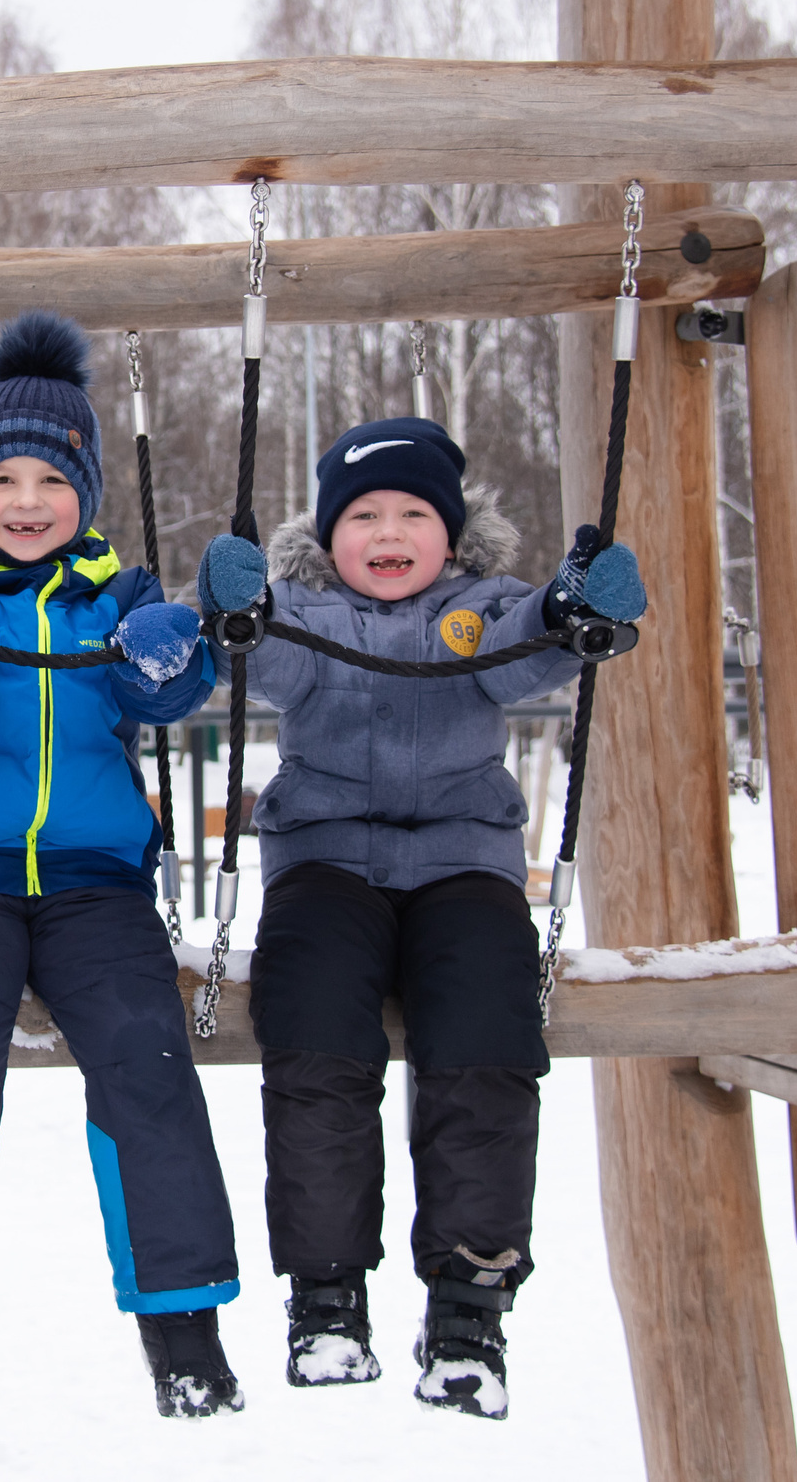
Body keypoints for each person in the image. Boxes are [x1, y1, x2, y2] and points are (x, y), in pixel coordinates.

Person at [196, 416, 645, 1419]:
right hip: (324, 864)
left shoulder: (477, 611)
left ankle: (467, 1308)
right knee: (313, 1039)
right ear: (327, 534)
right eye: (363, 515)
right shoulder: (310, 612)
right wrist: (241, 607)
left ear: (451, 532)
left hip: (461, 869)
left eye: (412, 513)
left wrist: (575, 607)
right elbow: (270, 663)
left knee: (486, 1043)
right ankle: (325, 1296)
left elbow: (524, 644)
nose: (388, 532)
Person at [0, 312, 242, 1429]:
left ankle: (183, 1332)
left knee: (145, 1061)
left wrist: (177, 652)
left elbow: (164, 694)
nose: (26, 501)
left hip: (95, 881)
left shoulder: (120, 602)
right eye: (2, 479)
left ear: (86, 491)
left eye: (50, 479)